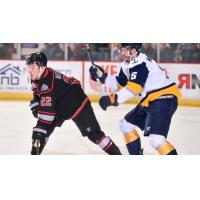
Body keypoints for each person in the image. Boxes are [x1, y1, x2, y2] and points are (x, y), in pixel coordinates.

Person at [89, 43, 182, 155]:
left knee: (156, 140)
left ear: (133, 51)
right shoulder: (128, 64)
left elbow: (134, 88)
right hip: (151, 100)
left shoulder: (140, 63)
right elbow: (119, 83)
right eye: (121, 49)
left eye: (124, 50)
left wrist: (114, 99)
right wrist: (102, 76)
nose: (121, 52)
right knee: (125, 125)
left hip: (163, 99)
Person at [26, 52, 121, 155]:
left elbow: (46, 119)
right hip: (60, 105)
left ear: (42, 67)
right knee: (40, 134)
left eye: (32, 67)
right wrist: (36, 101)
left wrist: (38, 110)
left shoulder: (47, 84)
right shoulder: (38, 76)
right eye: (29, 67)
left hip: (78, 104)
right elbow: (37, 92)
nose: (29, 70)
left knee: (95, 135)